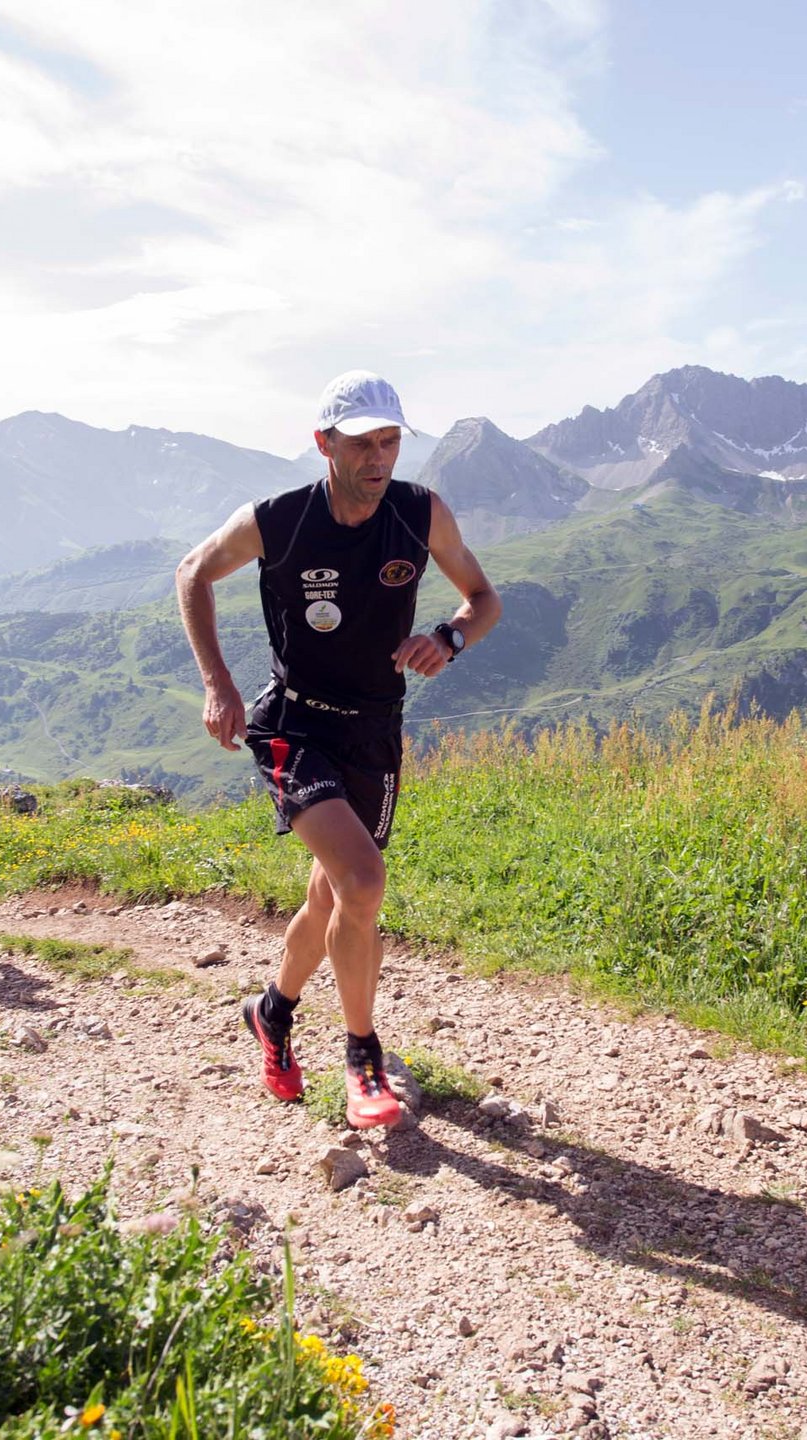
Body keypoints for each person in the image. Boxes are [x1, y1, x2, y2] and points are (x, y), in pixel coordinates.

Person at [176, 371, 501, 1128]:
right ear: (324, 443)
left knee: (331, 896)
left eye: (390, 441)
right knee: (362, 881)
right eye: (361, 444)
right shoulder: (279, 520)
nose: (379, 457)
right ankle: (363, 1058)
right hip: (294, 726)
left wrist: (449, 638)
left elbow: (484, 599)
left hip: (374, 731)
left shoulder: (420, 512)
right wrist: (217, 684)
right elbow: (193, 571)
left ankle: (271, 1011)